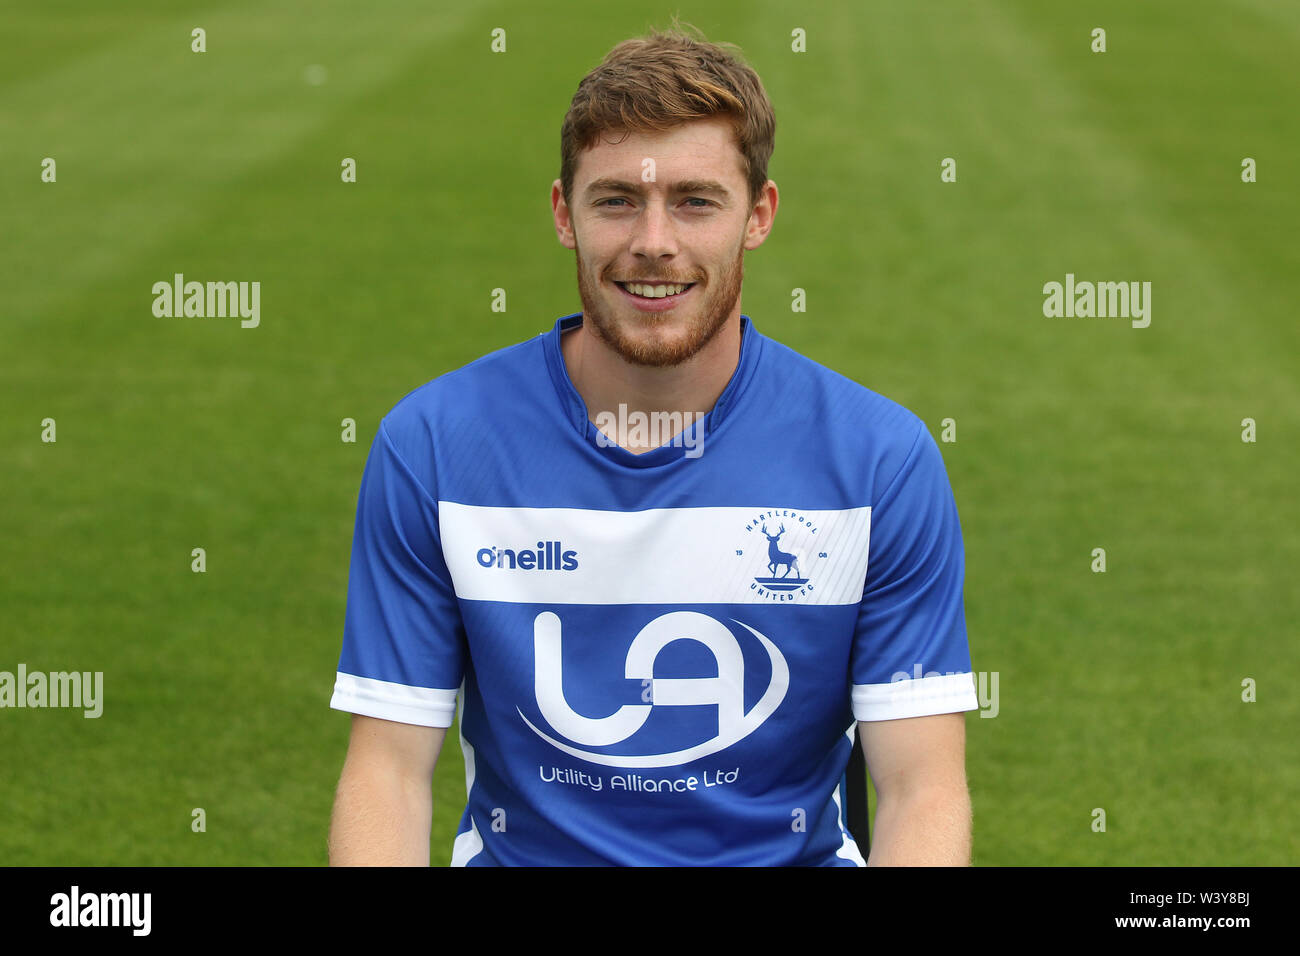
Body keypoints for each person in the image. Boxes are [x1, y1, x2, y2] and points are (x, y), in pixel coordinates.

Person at [327, 22, 978, 867]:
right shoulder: (437, 446)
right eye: (617, 200)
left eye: (696, 201)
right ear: (565, 214)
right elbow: (387, 773)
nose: (654, 242)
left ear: (759, 215)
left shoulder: (877, 462)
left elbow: (922, 788)